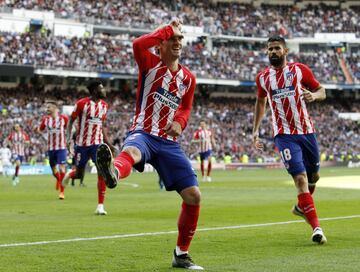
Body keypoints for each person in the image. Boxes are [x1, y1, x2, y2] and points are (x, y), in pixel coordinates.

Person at [95, 19, 203, 270]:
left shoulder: (188, 78)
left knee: (194, 196)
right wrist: (167, 29)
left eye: (180, 39)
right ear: (160, 45)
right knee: (131, 152)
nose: (177, 42)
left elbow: (186, 107)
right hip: (143, 132)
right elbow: (137, 44)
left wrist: (180, 122)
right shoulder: (149, 63)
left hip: (168, 142)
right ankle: (112, 172)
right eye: (172, 39)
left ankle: (181, 254)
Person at [252, 36, 327, 244]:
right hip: (284, 135)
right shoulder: (263, 78)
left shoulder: (300, 70)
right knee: (300, 179)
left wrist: (314, 96)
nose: (273, 52)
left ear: (285, 51)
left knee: (314, 176)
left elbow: (322, 91)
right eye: (270, 49)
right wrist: (255, 130)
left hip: (307, 131)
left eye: (277, 48)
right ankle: (316, 228)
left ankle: (301, 206)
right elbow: (260, 102)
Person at [62, 81, 115, 215]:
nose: (104, 91)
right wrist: (69, 140)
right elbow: (70, 122)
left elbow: (101, 126)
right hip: (82, 145)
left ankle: (100, 206)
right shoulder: (81, 104)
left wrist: (109, 144)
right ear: (95, 90)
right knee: (79, 174)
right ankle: (70, 174)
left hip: (97, 144)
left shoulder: (104, 106)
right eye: (101, 88)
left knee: (102, 173)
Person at [34, 100, 68, 200]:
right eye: (47, 107)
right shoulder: (45, 120)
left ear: (55, 108)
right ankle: (59, 180)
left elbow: (69, 128)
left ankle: (62, 192)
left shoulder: (63, 119)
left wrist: (68, 138)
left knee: (62, 168)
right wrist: (42, 134)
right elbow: (40, 129)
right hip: (51, 148)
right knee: (54, 171)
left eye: (49, 107)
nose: (47, 109)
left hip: (61, 147)